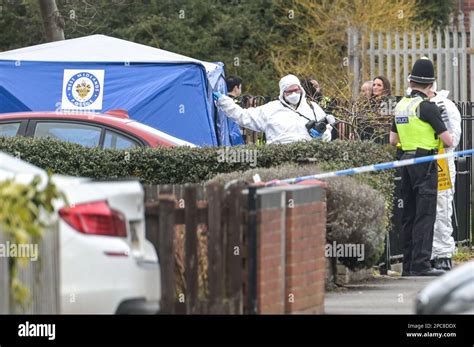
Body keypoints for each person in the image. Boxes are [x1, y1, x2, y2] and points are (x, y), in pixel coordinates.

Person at [390, 58, 453, 277]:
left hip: (406, 163)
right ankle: (421, 264)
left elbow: (392, 140)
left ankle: (408, 265)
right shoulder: (427, 107)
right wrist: (443, 130)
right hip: (425, 164)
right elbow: (448, 141)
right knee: (425, 215)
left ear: (411, 82)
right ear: (430, 85)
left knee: (409, 213)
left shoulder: (401, 106)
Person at [213, 74, 332, 144]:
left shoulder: (313, 108)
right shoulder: (271, 109)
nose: (294, 94)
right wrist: (224, 102)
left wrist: (324, 134)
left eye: (296, 90)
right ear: (282, 93)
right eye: (289, 91)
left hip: (310, 161)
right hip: (279, 161)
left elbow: (327, 131)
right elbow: (243, 116)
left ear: (301, 89)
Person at [427, 85, 462, 271]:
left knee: (442, 205)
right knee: (424, 209)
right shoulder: (413, 104)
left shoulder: (446, 106)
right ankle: (429, 253)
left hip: (442, 159)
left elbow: (453, 139)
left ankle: (443, 253)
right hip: (422, 159)